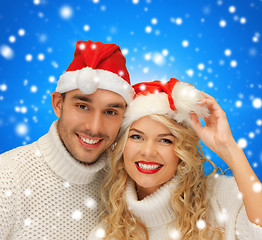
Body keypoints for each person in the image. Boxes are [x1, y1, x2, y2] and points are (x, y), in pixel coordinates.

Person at [88, 78, 262, 240]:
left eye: (165, 140)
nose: (148, 152)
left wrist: (229, 148)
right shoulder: (107, 232)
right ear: (121, 145)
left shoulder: (220, 197)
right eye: (136, 137)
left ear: (182, 149)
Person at [0, 40, 134, 239]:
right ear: (58, 104)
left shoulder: (122, 183)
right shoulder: (8, 179)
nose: (94, 127)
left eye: (110, 111)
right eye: (83, 106)